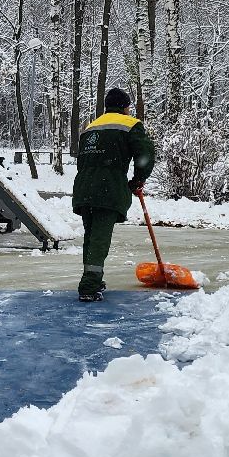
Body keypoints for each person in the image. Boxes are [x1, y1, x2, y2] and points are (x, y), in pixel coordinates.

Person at [71, 87, 156, 302]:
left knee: (91, 237)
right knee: (100, 238)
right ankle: (89, 285)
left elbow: (84, 160)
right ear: (125, 107)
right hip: (107, 190)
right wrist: (138, 180)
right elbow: (145, 155)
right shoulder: (130, 125)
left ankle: (94, 278)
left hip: (84, 188)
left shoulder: (91, 127)